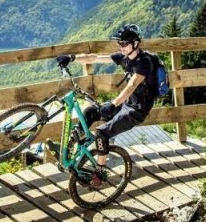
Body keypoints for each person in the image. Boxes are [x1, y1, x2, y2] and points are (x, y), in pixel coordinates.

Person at [55, 24, 155, 179]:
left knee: (101, 133)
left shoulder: (144, 62)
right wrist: (72, 58)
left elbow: (132, 85)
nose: (120, 46)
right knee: (91, 112)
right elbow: (94, 58)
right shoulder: (124, 58)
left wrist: (113, 104)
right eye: (119, 43)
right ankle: (70, 147)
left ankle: (100, 172)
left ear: (135, 43)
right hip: (126, 103)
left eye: (124, 43)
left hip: (137, 110)